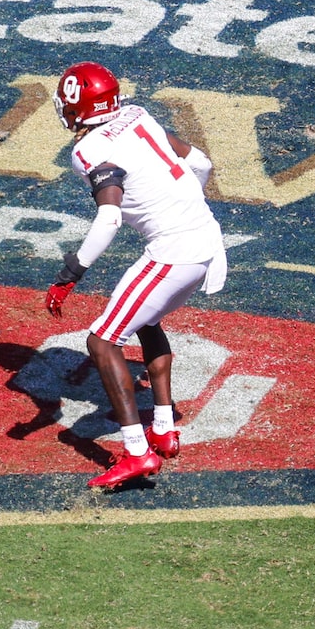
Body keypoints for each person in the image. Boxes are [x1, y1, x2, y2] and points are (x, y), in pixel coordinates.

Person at [37, 64, 230, 493]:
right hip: (207, 240)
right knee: (145, 318)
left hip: (175, 251)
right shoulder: (139, 113)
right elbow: (201, 162)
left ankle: (137, 451)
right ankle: (163, 426)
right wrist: (184, 205)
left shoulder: (88, 150)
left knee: (101, 341)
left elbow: (108, 219)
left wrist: (71, 273)